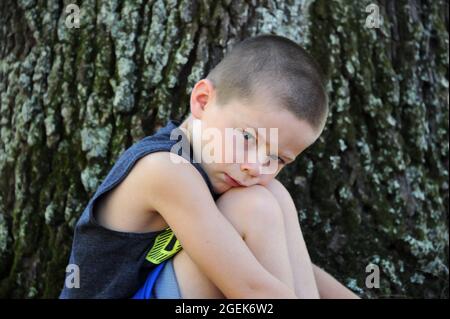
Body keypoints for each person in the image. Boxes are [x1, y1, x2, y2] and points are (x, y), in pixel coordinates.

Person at [60, 34, 359, 299]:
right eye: (247, 137)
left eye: (277, 159)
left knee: (273, 194)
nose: (255, 166)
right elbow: (253, 290)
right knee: (254, 205)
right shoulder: (165, 170)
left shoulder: (220, 168)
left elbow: (288, 266)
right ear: (202, 101)